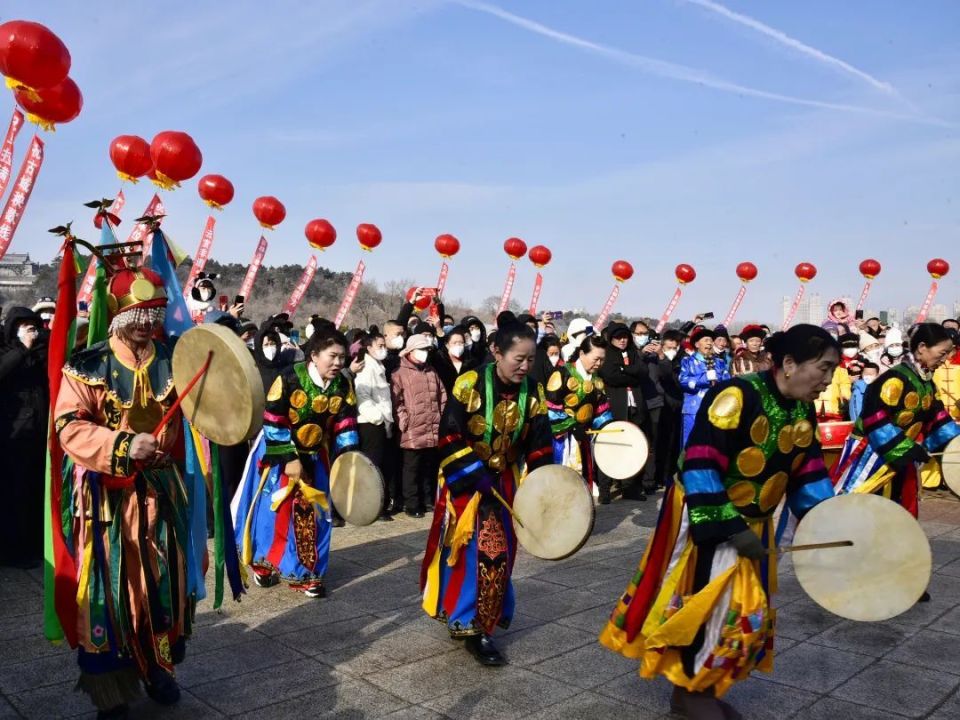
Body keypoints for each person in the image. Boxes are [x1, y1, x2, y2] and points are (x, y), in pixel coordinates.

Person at [600, 325, 841, 720]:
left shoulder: (801, 409)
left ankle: (694, 689)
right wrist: (730, 528)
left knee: (739, 607)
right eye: (824, 368)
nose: (829, 380)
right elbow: (700, 463)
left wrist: (836, 523)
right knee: (705, 600)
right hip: (707, 513)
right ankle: (694, 687)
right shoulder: (736, 396)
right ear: (790, 363)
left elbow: (808, 475)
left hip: (753, 521)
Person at [54, 268, 196, 718]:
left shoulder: (175, 358)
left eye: (153, 313)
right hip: (108, 502)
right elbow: (67, 427)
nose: (146, 323)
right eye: (137, 313)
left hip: (161, 494)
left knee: (164, 587)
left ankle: (158, 669)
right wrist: (121, 445)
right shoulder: (88, 365)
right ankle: (111, 688)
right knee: (112, 593)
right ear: (117, 314)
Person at [420, 323, 554, 666]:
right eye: (518, 359)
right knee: (467, 550)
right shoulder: (470, 383)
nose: (525, 366)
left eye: (530, 359)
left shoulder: (534, 391)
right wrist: (473, 476)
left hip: (504, 479)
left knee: (500, 551)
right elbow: (449, 435)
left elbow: (539, 443)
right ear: (497, 352)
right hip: (467, 479)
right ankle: (470, 624)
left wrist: (544, 485)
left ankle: (483, 621)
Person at [233, 327, 360, 598]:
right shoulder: (289, 377)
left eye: (342, 357)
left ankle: (308, 573)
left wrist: (349, 456)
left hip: (316, 455)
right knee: (273, 513)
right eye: (333, 356)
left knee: (315, 514)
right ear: (314, 355)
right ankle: (263, 564)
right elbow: (273, 419)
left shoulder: (343, 384)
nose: (338, 363)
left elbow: (346, 422)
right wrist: (289, 458)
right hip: (280, 453)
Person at [834, 323, 960, 524]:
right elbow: (874, 419)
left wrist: (954, 445)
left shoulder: (925, 381)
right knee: (856, 511)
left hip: (900, 455)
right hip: (871, 453)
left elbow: (936, 417)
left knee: (898, 512)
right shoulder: (895, 378)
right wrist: (905, 448)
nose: (944, 359)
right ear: (922, 348)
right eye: (942, 353)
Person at [0, 307, 47, 568]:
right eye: (24, 325)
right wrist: (21, 348)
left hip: (38, 437)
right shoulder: (8, 352)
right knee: (13, 495)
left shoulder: (39, 354)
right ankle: (12, 551)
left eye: (33, 325)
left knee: (33, 493)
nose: (31, 330)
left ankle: (33, 545)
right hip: (12, 438)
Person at [545, 334, 614, 491]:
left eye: (602, 360)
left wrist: (607, 428)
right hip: (562, 440)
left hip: (584, 438)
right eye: (596, 359)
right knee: (561, 484)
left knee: (583, 482)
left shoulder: (597, 380)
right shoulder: (562, 373)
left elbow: (601, 410)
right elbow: (550, 408)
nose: (599, 363)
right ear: (582, 353)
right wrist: (572, 426)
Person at [391, 334, 447, 517]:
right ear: (411, 351)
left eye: (427, 349)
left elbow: (442, 396)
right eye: (421, 349)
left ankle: (428, 499)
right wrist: (404, 420)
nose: (425, 353)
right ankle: (412, 503)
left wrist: (443, 418)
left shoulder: (432, 372)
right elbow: (396, 401)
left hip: (432, 427)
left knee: (428, 466)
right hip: (412, 430)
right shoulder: (399, 373)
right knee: (411, 468)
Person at [598, 323, 648, 503]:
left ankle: (630, 487)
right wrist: (630, 374)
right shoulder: (607, 353)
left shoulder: (634, 352)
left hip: (634, 405)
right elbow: (611, 376)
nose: (622, 340)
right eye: (618, 337)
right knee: (609, 446)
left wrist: (625, 369)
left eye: (625, 337)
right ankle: (605, 489)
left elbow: (643, 371)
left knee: (633, 446)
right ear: (611, 338)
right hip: (615, 405)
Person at [354, 332, 395, 522]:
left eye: (384, 345)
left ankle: (380, 505)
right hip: (371, 423)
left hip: (381, 421)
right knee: (373, 467)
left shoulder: (379, 365)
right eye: (379, 345)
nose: (383, 349)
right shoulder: (366, 367)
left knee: (382, 466)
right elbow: (363, 395)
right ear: (369, 347)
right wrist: (377, 418)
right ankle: (372, 507)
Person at [679, 326, 730, 446]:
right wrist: (705, 378)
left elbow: (727, 381)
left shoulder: (720, 362)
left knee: (713, 444)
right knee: (690, 443)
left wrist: (719, 381)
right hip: (693, 409)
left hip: (715, 409)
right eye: (706, 340)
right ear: (697, 344)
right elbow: (683, 381)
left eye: (711, 341)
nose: (709, 343)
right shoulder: (687, 361)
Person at [656, 330, 685, 488]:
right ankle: (659, 475)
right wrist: (662, 358)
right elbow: (663, 375)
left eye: (675, 347)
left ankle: (670, 474)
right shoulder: (656, 358)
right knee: (661, 442)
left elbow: (676, 380)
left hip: (677, 403)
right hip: (660, 404)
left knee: (674, 442)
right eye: (668, 347)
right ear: (662, 346)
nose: (671, 350)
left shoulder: (681, 359)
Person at [434, 325, 477, 394]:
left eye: (461, 343)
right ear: (447, 345)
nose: (458, 345)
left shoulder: (471, 362)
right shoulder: (440, 362)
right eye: (454, 343)